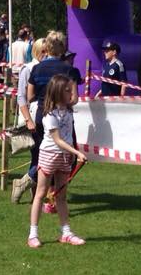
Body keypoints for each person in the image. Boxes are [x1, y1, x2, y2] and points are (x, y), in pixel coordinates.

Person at [26, 74, 87, 247]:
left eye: (71, 90)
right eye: (67, 91)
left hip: (64, 157)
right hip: (49, 155)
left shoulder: (67, 110)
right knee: (40, 193)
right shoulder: (49, 114)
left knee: (61, 196)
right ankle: (33, 234)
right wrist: (76, 152)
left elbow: (66, 137)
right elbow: (58, 139)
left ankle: (66, 233)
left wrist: (72, 153)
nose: (71, 94)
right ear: (58, 92)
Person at [11, 38, 46, 203]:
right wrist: (28, 120)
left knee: (40, 156)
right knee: (39, 156)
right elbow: (21, 97)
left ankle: (34, 194)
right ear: (39, 51)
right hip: (33, 116)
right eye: (45, 51)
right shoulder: (28, 69)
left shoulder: (47, 68)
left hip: (46, 116)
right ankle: (23, 185)